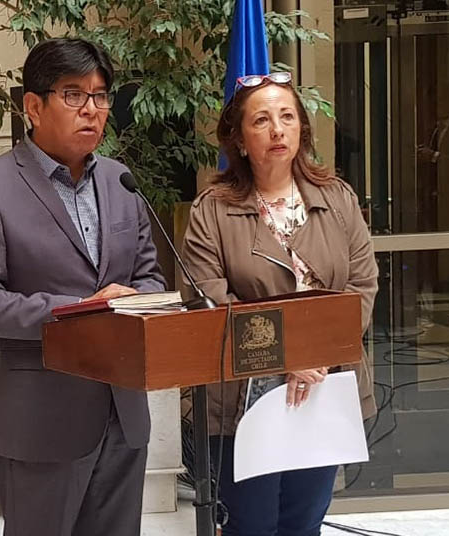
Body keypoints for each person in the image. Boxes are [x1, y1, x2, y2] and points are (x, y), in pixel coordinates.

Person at [0, 38, 165, 536]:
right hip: (39, 419)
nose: (92, 109)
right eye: (73, 95)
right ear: (33, 106)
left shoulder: (121, 182)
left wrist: (142, 300)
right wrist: (81, 309)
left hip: (123, 412)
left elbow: (149, 277)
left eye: (100, 95)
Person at [181, 72, 378, 536]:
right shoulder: (211, 210)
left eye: (287, 117)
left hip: (324, 388)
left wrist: (316, 357)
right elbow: (208, 303)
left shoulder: (337, 198)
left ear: (302, 129)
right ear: (238, 139)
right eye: (262, 120)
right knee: (251, 524)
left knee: (304, 523)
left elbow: (362, 287)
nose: (277, 130)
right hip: (241, 401)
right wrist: (287, 357)